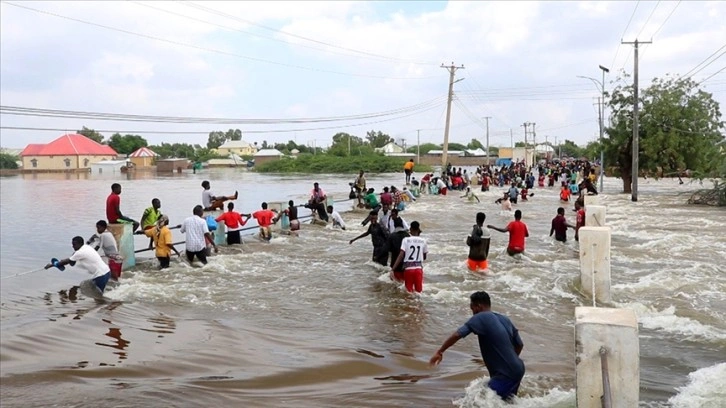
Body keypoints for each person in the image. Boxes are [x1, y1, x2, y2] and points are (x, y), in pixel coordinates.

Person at [429, 291, 525, 401]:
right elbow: (520, 345)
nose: (472, 312)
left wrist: (440, 351)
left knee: (478, 401)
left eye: (472, 308)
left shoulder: (480, 317)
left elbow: (457, 335)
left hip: (506, 374)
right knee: (506, 402)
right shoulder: (505, 319)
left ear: (478, 306)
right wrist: (510, 362)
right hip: (519, 369)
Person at [45, 236, 112, 296]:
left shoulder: (80, 252)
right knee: (97, 292)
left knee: (99, 296)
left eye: (74, 244)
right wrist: (58, 263)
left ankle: (105, 305)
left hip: (101, 275)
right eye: (72, 244)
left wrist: (54, 264)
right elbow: (70, 260)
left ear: (80, 244)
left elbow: (66, 261)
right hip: (107, 271)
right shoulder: (87, 247)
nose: (72, 246)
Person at [391, 221, 427, 293]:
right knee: (419, 292)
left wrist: (393, 269)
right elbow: (424, 257)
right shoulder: (423, 241)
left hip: (408, 270)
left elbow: (401, 255)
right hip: (418, 269)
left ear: (410, 229)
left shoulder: (406, 240)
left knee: (408, 292)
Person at [387, 217, 410, 283]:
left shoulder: (392, 236)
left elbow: (387, 249)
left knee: (395, 285)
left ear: (394, 225)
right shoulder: (407, 235)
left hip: (395, 265)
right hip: (406, 265)